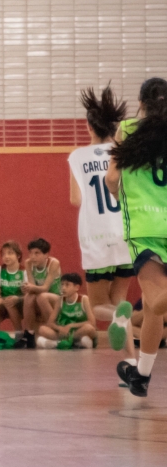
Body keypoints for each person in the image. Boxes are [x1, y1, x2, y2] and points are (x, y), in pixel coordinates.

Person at [107, 77, 167, 396]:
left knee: (155, 298)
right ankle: (141, 375)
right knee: (156, 308)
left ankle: (141, 373)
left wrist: (119, 196)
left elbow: (112, 178)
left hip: (146, 227)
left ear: (141, 103)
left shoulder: (128, 129)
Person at [69, 86, 134, 324]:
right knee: (118, 299)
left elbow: (75, 199)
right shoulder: (124, 153)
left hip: (96, 237)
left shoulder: (78, 156)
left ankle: (131, 322)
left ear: (89, 126)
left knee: (97, 307)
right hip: (125, 232)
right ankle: (130, 342)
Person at [35, 273, 96, 349]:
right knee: (42, 329)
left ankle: (58, 343)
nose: (63, 288)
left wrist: (71, 326)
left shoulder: (84, 299)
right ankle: (72, 343)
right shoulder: (60, 300)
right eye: (62, 285)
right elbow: (50, 323)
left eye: (67, 285)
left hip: (78, 331)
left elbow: (92, 322)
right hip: (64, 333)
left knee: (89, 328)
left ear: (76, 287)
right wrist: (60, 328)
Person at [22, 238, 62, 348]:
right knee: (28, 297)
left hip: (57, 299)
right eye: (30, 253)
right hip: (40, 296)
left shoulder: (53, 263)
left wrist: (32, 287)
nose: (32, 256)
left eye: (37, 253)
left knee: (42, 297)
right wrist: (27, 288)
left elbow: (45, 288)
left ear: (46, 255)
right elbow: (32, 287)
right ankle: (29, 334)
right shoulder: (28, 263)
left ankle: (55, 329)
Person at [0, 240, 26, 335]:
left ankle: (19, 333)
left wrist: (17, 299)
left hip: (20, 302)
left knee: (9, 303)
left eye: (10, 253)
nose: (6, 256)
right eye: (3, 254)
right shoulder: (0, 269)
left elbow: (28, 295)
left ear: (18, 255)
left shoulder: (24, 271)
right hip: (5, 301)